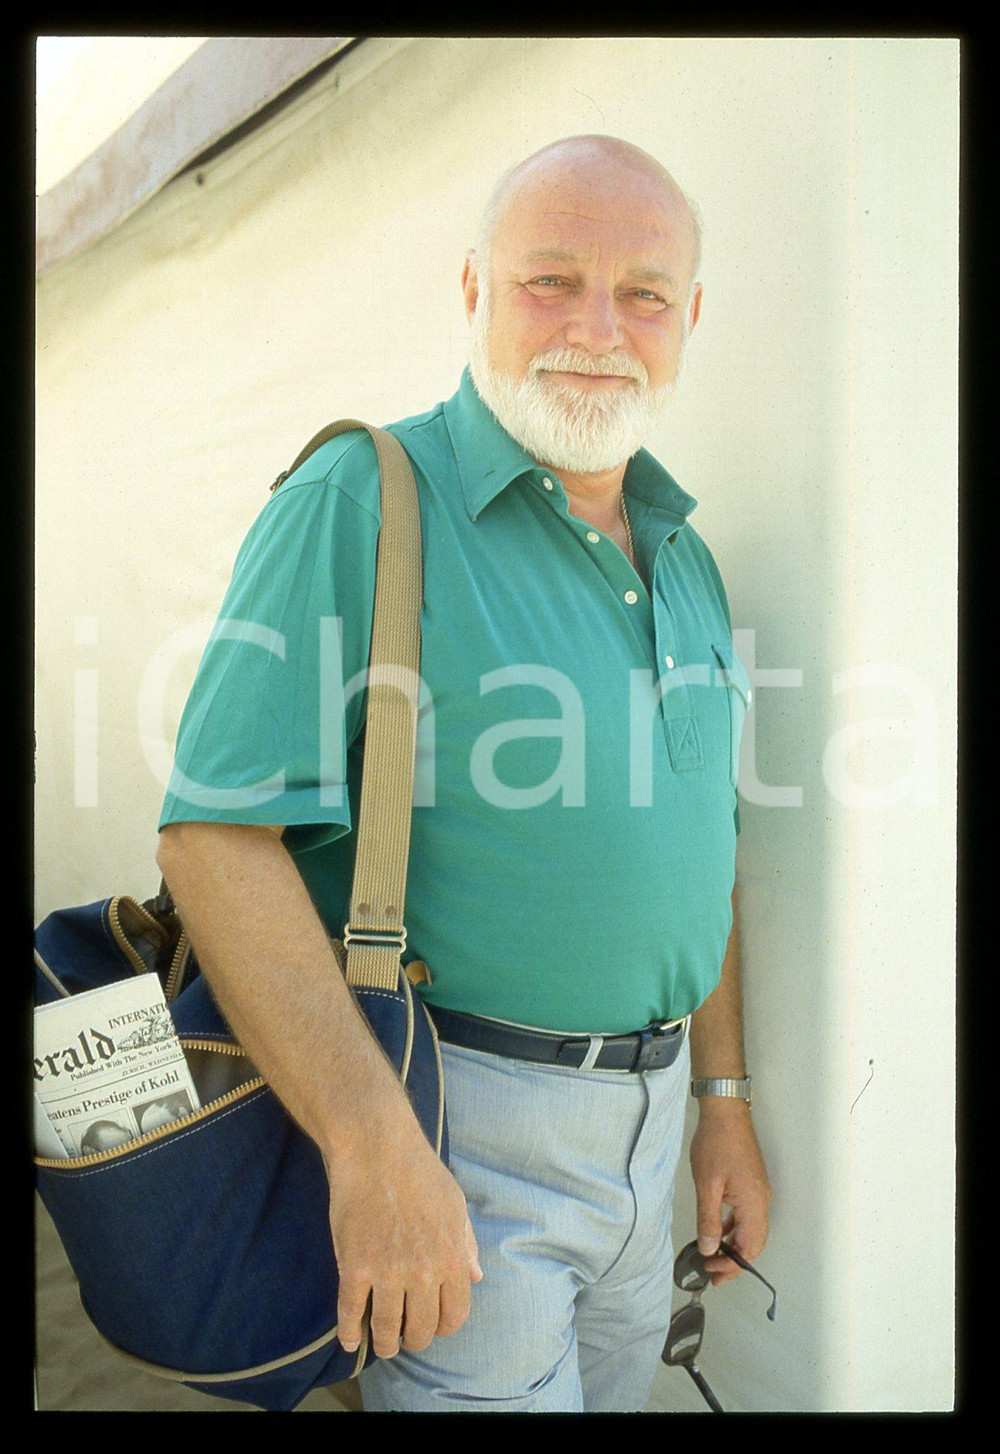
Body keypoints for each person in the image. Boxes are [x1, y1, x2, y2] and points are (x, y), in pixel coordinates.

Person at [156, 134, 771, 1414]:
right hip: (451, 1122)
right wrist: (369, 1146)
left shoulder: (688, 556)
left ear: (691, 315)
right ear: (473, 286)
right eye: (551, 280)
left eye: (643, 293)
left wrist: (721, 1099)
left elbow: (701, 850)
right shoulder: (364, 496)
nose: (597, 328)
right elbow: (215, 838)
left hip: (654, 1123)